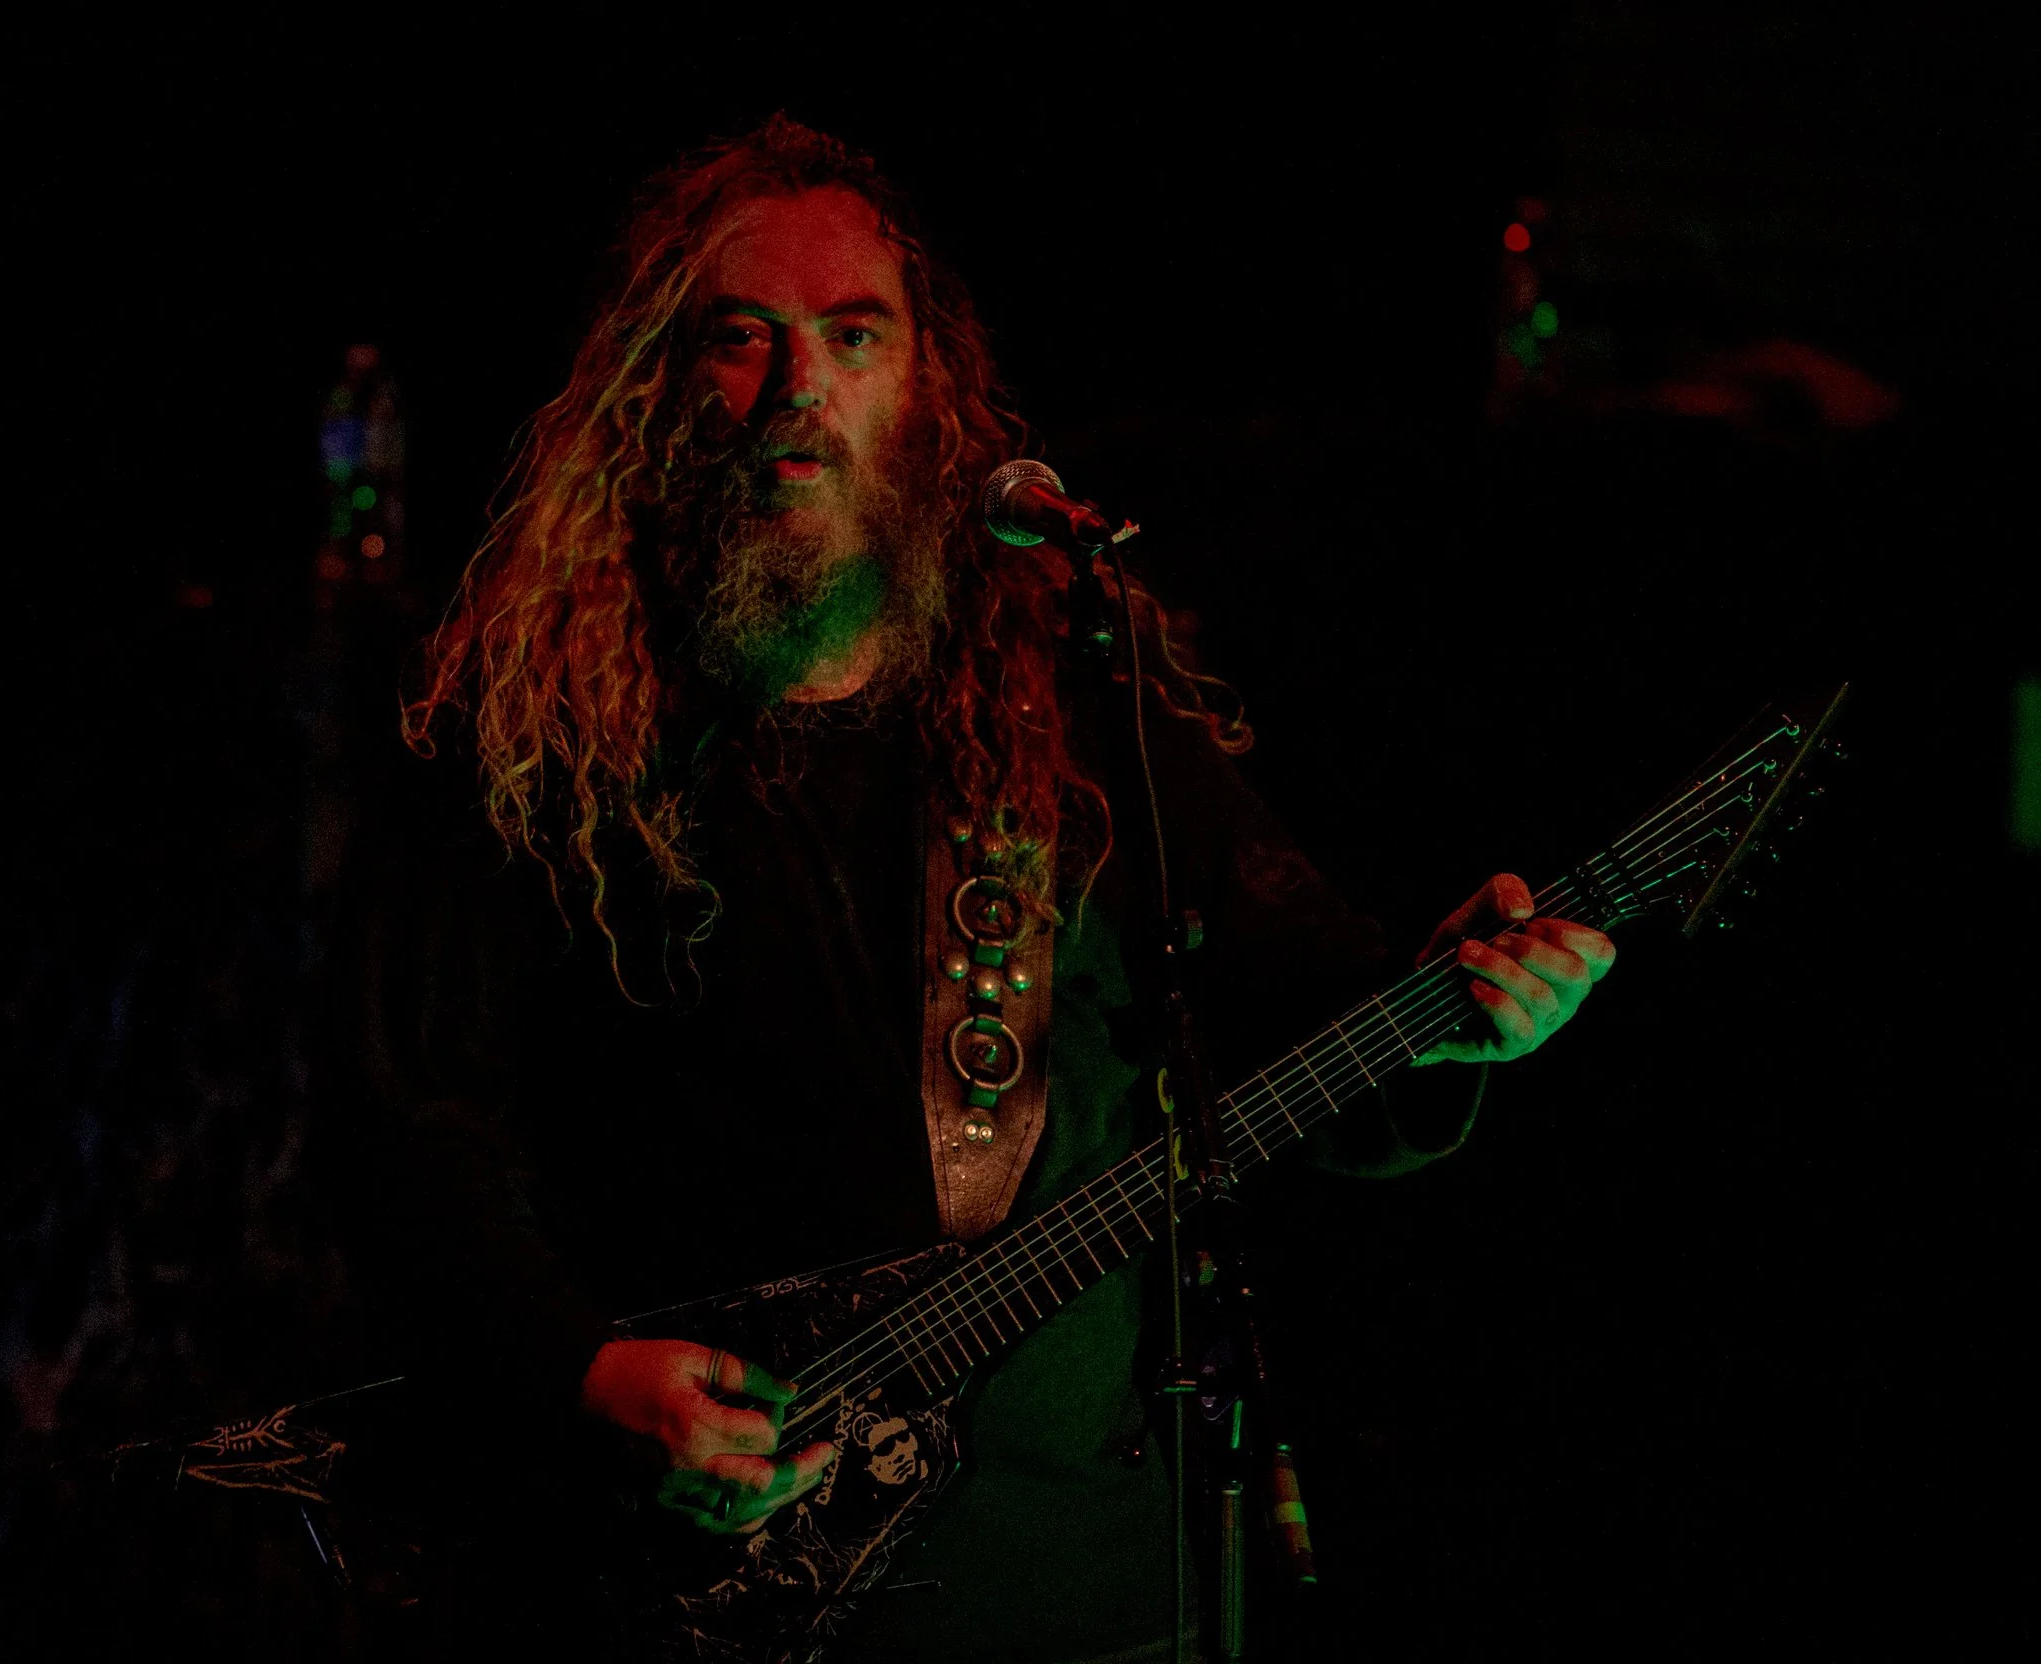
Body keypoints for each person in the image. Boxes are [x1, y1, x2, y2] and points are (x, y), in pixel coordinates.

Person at [368, 116, 1613, 1661]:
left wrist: (1452, 1008)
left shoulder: (1067, 687)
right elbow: (412, 1124)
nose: (798, 388)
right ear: (658, 389)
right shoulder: (546, 723)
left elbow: (1290, 999)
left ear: (921, 387)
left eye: (851, 336)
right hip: (703, 1597)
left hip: (1077, 1581)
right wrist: (581, 1375)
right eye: (739, 339)